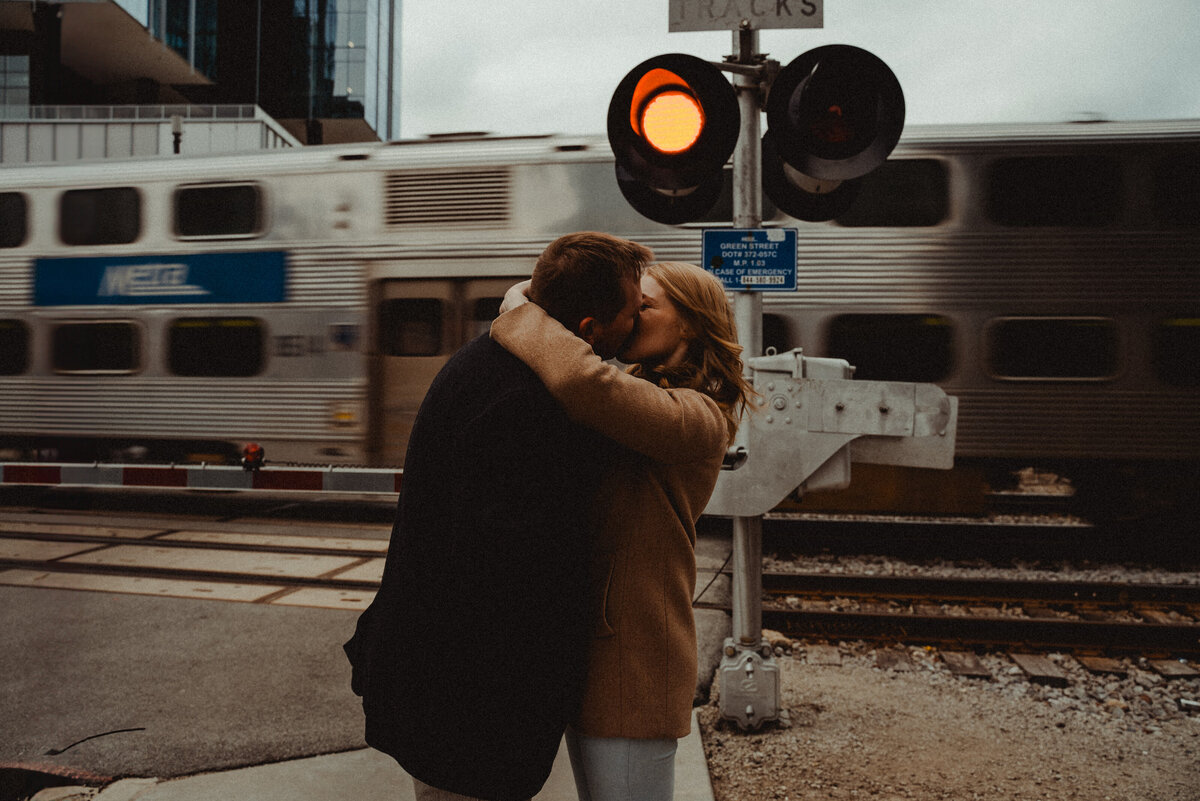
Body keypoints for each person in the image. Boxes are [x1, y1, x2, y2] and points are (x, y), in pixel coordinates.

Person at [343, 232, 650, 801]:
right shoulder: (527, 405)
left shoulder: (493, 365)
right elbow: (512, 574)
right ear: (588, 330)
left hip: (446, 687)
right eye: (634, 315)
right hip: (468, 702)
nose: (638, 325)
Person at [490, 261, 752, 801]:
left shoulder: (699, 416)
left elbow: (581, 379)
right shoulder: (640, 390)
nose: (628, 315)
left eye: (645, 306)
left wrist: (523, 304)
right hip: (592, 650)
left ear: (690, 324)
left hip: (635, 660)